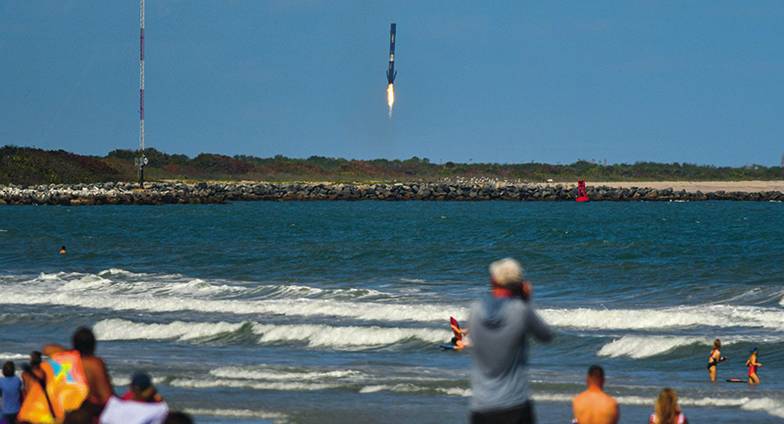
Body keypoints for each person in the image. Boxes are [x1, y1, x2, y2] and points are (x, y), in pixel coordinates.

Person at [468, 258, 554, 424]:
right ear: (519, 284)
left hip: (481, 406)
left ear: (492, 280)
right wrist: (526, 300)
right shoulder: (520, 310)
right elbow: (546, 336)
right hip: (514, 405)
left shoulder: (475, 310)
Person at [44, 327, 114, 420]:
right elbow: (106, 397)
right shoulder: (93, 364)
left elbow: (47, 349)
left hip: (61, 411)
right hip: (85, 414)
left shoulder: (66, 359)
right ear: (93, 345)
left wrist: (73, 351)